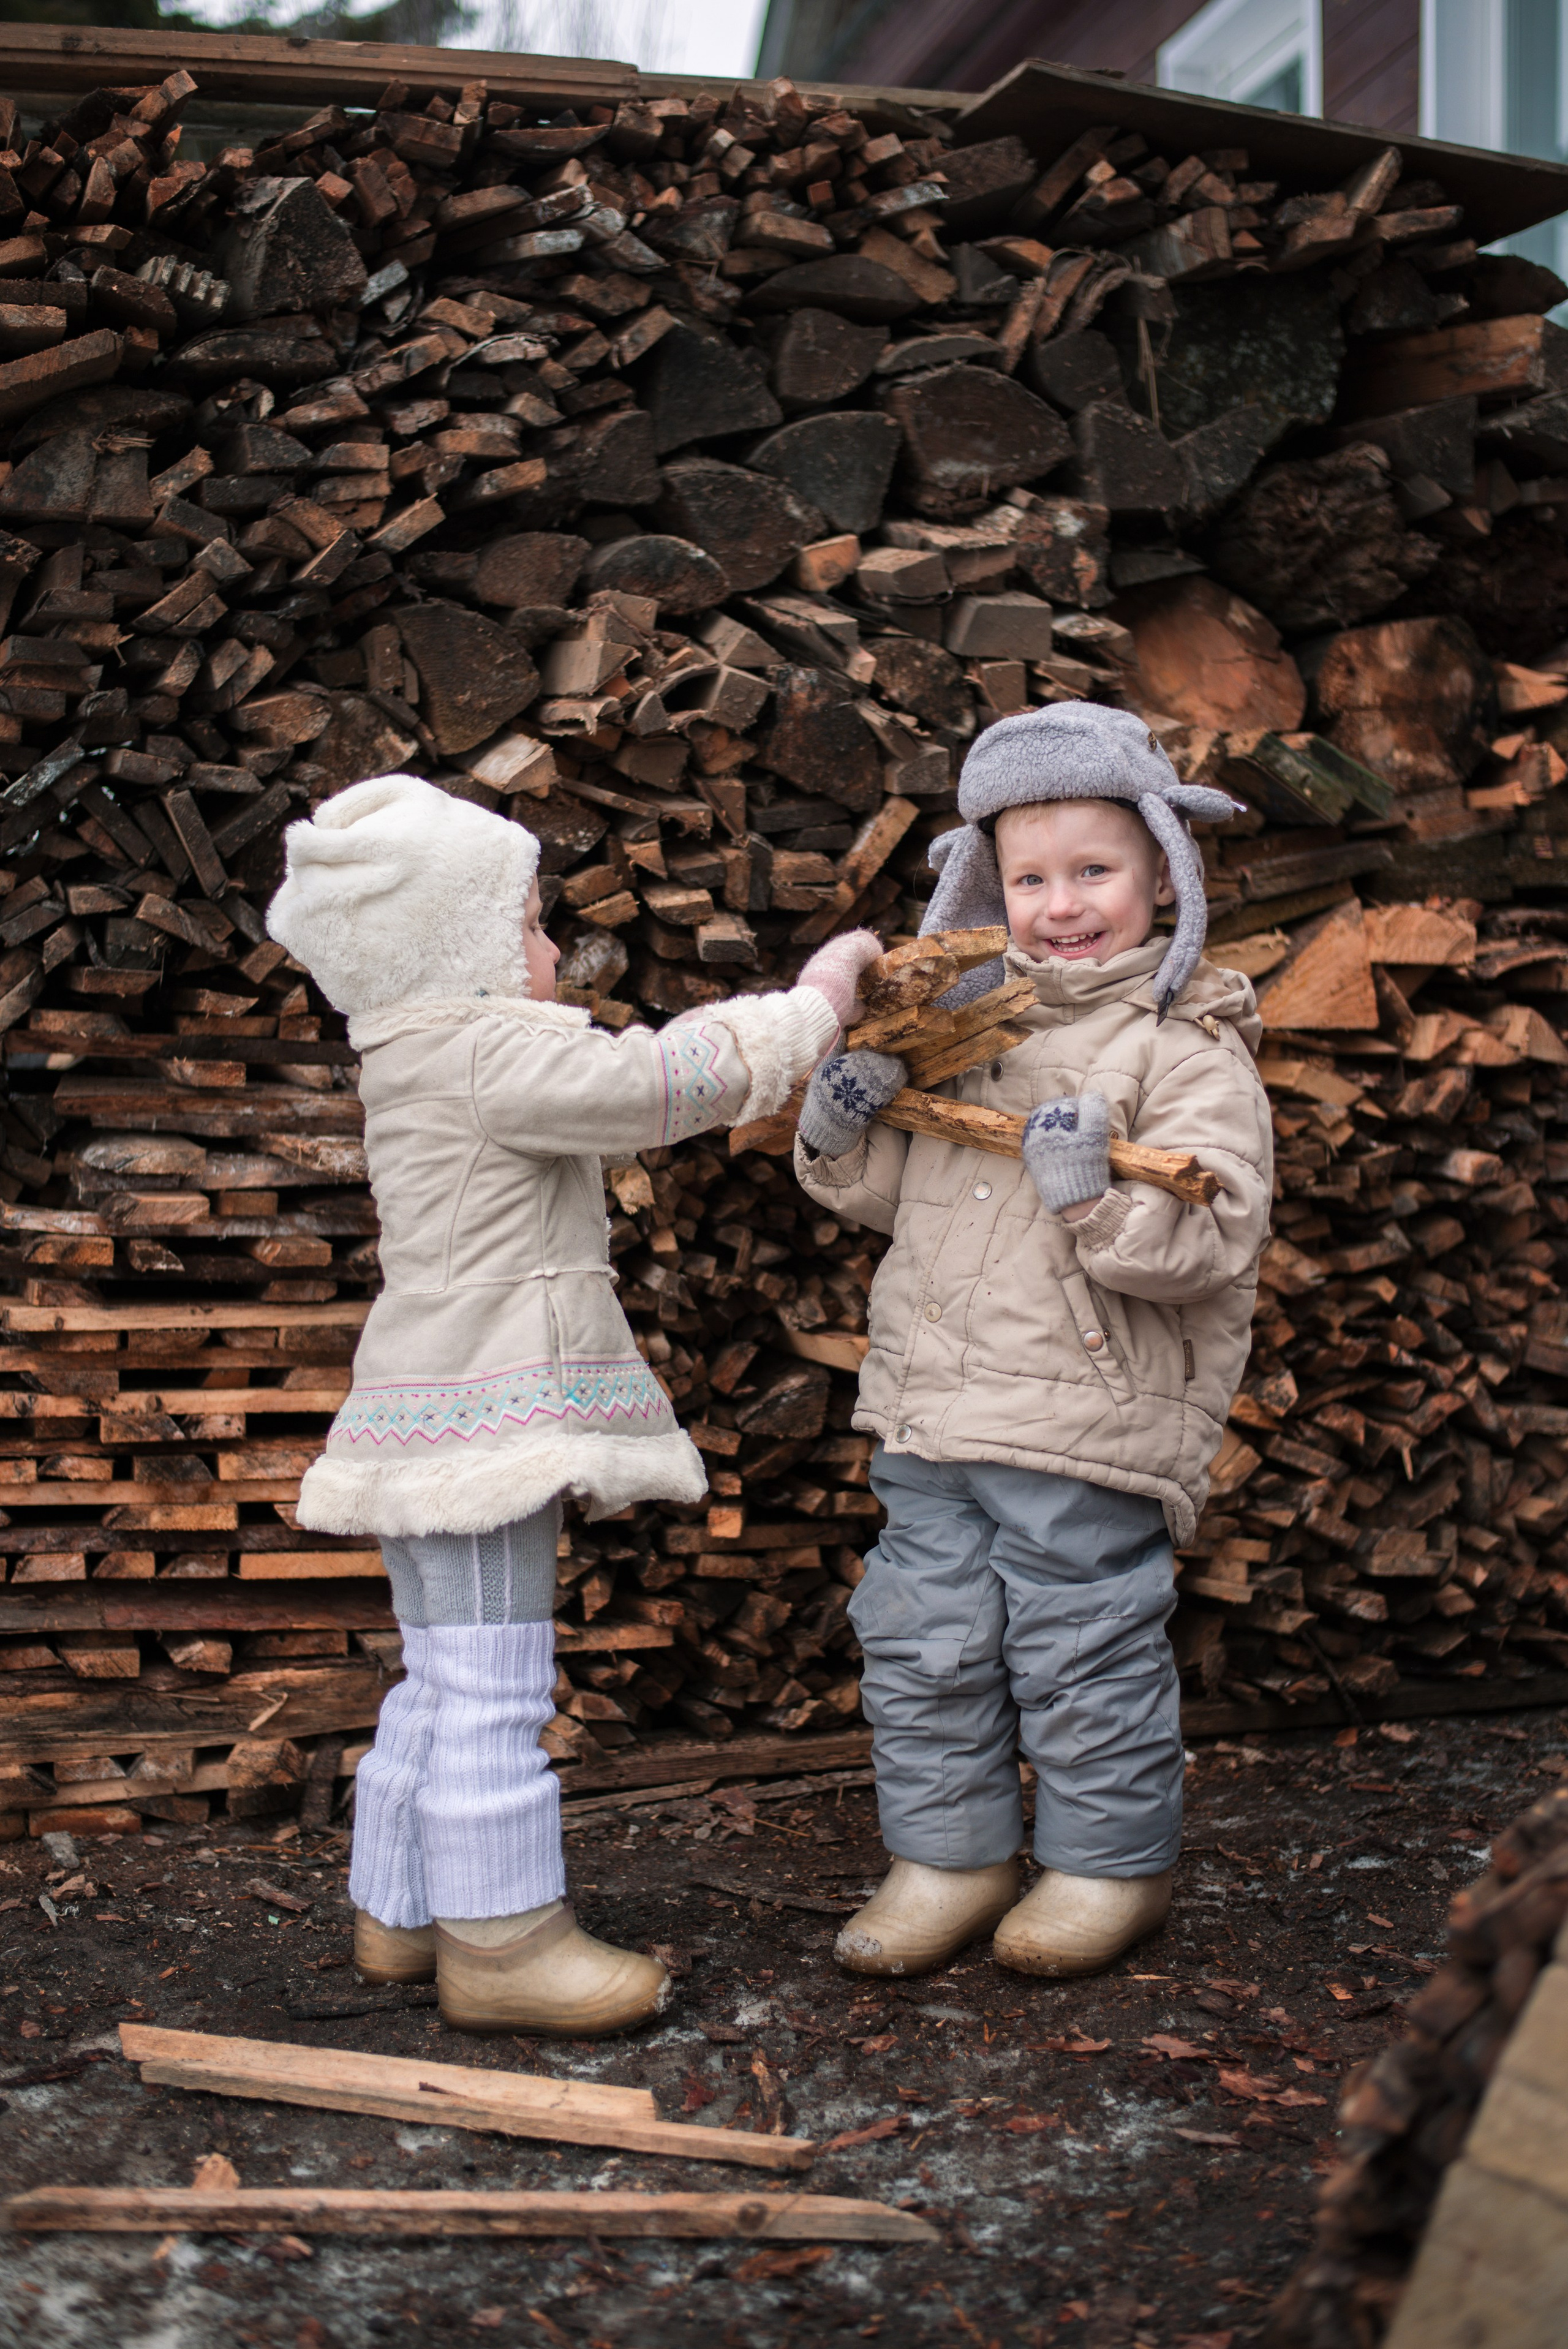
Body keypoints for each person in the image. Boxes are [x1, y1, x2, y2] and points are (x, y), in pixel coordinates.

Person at [268, 772, 881, 2035]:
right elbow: (659, 1085)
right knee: (494, 1675)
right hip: (487, 1413)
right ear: (458, 951)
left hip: (415, 1399)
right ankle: (502, 1940)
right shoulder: (488, 1045)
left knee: (435, 1676)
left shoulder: (405, 1050)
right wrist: (811, 1005)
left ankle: (402, 1909)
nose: (552, 949)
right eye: (531, 927)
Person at [793, 704, 1273, 1981]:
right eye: (1030, 878)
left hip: (1080, 1417)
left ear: (1162, 871)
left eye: (1093, 871)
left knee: (1078, 1646)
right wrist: (844, 1127)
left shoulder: (1184, 1048)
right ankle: (946, 1856)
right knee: (921, 1638)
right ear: (984, 885)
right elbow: (891, 1196)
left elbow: (1207, 1242)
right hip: (932, 1405)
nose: (1061, 905)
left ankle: (1104, 1866)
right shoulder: (973, 1026)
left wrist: (1091, 1196)